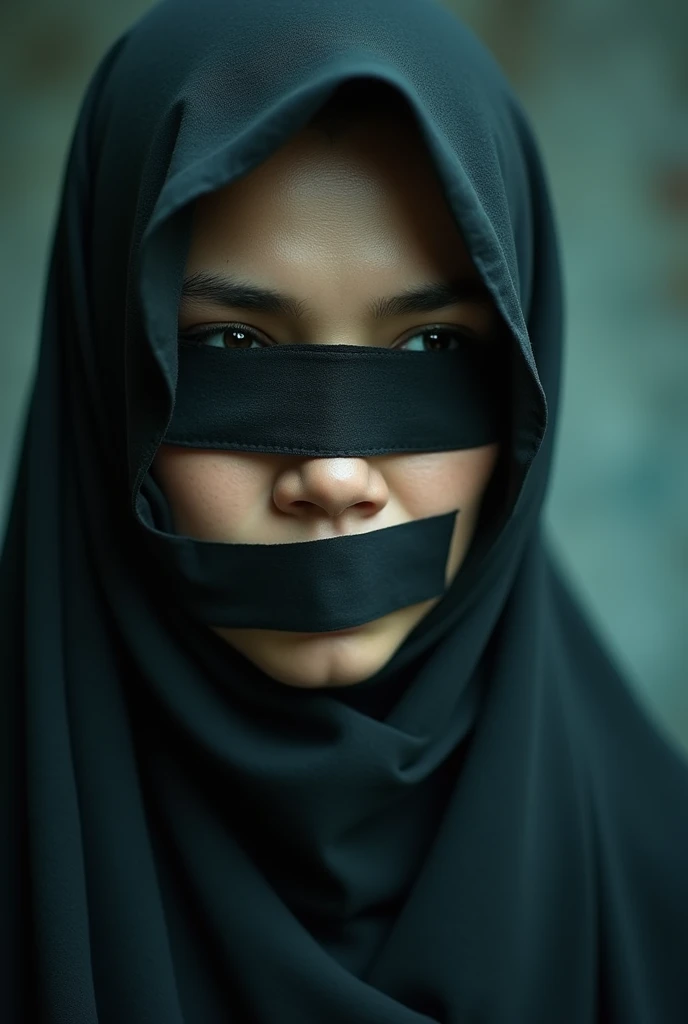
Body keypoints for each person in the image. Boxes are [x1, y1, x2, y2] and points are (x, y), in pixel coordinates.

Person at [1, 0, 687, 1020]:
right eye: (231, 352)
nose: (331, 475)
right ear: (110, 377)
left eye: (428, 354)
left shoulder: (660, 891)